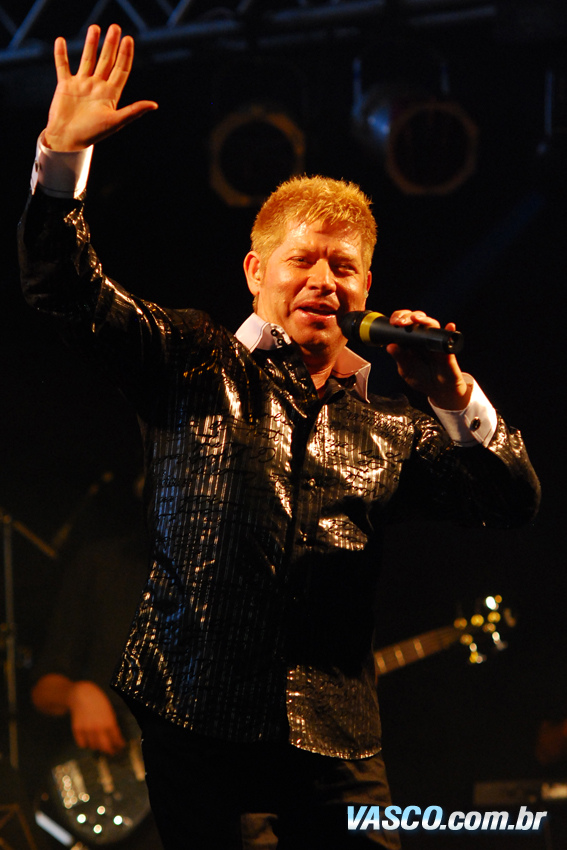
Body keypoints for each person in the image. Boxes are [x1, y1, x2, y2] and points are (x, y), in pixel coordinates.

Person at [18, 23, 541, 850]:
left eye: (343, 266)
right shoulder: (193, 360)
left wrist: (451, 393)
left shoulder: (392, 420)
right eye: (302, 261)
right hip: (199, 727)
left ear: (367, 285)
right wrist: (61, 159)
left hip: (338, 739)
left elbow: (510, 502)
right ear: (256, 272)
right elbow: (64, 288)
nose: (323, 281)